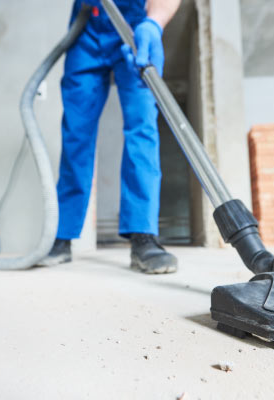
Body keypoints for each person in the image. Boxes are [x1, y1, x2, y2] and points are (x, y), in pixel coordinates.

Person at [39, 0, 182, 274]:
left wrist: (154, 23)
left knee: (142, 127)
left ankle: (143, 236)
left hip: (135, 25)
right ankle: (62, 235)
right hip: (87, 26)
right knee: (76, 134)